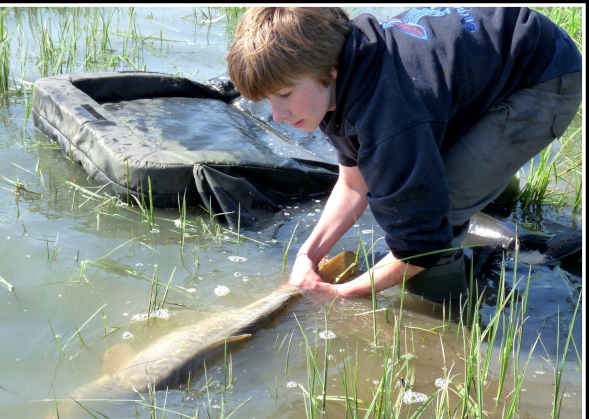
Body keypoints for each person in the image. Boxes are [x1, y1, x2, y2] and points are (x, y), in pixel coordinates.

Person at [226, 7, 582, 301]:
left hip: (545, 75)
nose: (278, 115)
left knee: (440, 211)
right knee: (437, 170)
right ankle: (491, 188)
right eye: (268, 100)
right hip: (493, 62)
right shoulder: (333, 83)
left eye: (285, 94)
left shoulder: (388, 116)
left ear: (329, 69)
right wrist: (309, 255)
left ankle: (456, 312)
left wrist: (345, 293)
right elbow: (353, 184)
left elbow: (419, 247)